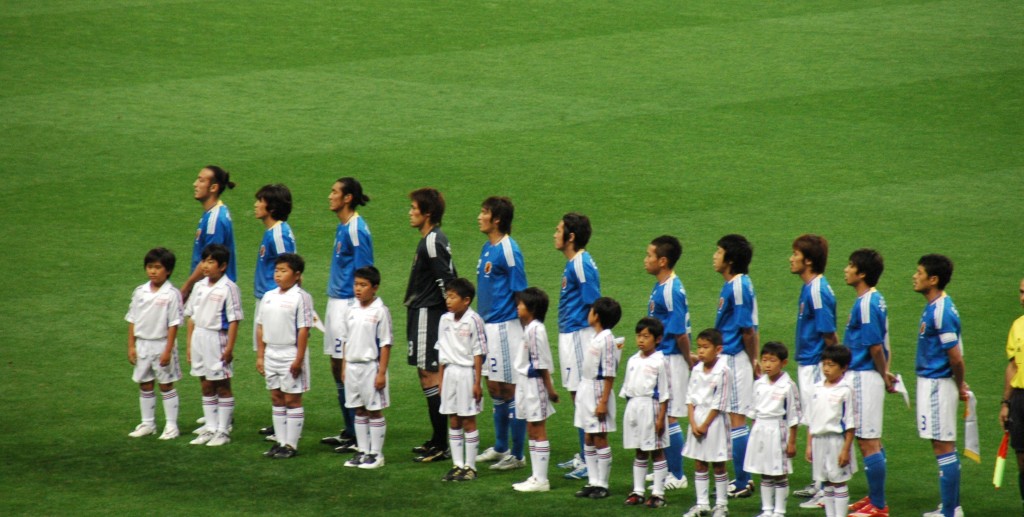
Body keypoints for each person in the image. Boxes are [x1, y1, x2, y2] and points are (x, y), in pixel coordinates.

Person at [475, 196, 529, 471]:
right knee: (494, 387)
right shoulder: (488, 247)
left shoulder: (509, 249)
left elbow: (521, 290)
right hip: (487, 327)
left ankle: (517, 456)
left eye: (484, 212)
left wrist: (526, 327)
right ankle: (500, 446)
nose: (479, 216)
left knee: (510, 389)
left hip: (506, 327)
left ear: (497, 219)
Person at [405, 187, 458, 463]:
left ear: (428, 213)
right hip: (422, 311)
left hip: (429, 313)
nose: (410, 212)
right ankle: (438, 440)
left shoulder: (432, 241)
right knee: (427, 375)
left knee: (430, 375)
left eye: (415, 208)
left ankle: (441, 444)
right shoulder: (431, 238)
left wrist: (451, 316)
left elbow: (446, 281)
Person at [321, 178, 373, 453]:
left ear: (348, 198)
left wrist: (357, 311)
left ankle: (358, 435)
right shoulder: (344, 227)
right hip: (336, 302)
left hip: (347, 305)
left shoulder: (356, 230)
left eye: (334, 192)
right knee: (336, 366)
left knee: (346, 368)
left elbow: (365, 273)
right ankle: (350, 429)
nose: (330, 196)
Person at [913, 254, 967, 517]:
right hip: (936, 382)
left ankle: (949, 512)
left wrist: (960, 385)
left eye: (919, 272)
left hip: (937, 383)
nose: (915, 276)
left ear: (933, 279)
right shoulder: (937, 306)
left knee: (942, 445)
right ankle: (951, 507)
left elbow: (955, 356)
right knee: (945, 444)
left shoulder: (941, 311)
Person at [842, 249, 894, 517]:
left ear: (861, 273)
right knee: (871, 439)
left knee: (867, 441)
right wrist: (885, 371)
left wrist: (883, 374)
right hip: (867, 375)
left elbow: (875, 347)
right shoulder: (875, 299)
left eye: (850, 266)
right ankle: (875, 498)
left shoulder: (866, 304)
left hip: (864, 376)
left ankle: (879, 505)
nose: (846, 270)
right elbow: (885, 343)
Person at [789, 234, 838, 506]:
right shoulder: (811, 287)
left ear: (808, 260)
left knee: (821, 424)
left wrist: (835, 364)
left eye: (795, 254)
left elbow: (828, 332)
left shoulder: (817, 290)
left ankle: (826, 490)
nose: (791, 258)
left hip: (817, 363)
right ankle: (820, 482)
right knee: (815, 422)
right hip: (810, 362)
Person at [554, 213, 601, 481]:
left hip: (579, 336)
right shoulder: (575, 262)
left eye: (559, 229)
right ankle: (585, 454)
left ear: (571, 237)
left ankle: (590, 458)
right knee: (577, 397)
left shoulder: (581, 264)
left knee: (583, 397)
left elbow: (595, 302)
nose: (554, 233)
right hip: (570, 334)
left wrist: (595, 340)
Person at [712, 234, 760, 498]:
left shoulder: (739, 286)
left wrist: (754, 361)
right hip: (730, 357)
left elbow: (747, 330)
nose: (714, 256)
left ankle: (743, 481)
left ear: (730, 260)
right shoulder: (735, 284)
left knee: (737, 419)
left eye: (718, 252)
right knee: (734, 418)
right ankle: (743, 477)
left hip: (734, 358)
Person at [643, 235, 692, 491]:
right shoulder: (661, 286)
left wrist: (689, 360)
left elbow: (680, 332)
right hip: (663, 357)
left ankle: (677, 475)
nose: (645, 259)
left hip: (673, 358)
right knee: (660, 414)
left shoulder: (672, 290)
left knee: (670, 416)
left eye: (649, 255)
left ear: (663, 261)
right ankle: (665, 468)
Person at [256, 253, 314, 459]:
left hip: (290, 353)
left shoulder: (301, 297)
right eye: (276, 270)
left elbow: (304, 330)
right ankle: (280, 443)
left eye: (283, 271)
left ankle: (291, 444)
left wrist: (298, 359)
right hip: (272, 352)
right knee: (276, 397)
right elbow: (260, 327)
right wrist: (261, 356)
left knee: (292, 399)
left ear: (297, 275)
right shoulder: (268, 296)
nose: (278, 275)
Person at [185, 244, 243, 447]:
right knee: (205, 383)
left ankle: (223, 431)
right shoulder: (199, 286)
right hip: (199, 338)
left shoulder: (229, 288)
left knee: (222, 385)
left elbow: (235, 320)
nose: (205, 266)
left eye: (211, 262)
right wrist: (189, 344)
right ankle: (210, 428)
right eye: (204, 261)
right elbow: (191, 316)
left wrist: (229, 348)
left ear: (223, 266)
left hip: (217, 339)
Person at [252, 184, 297, 441]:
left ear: (271, 206)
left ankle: (286, 422)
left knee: (275, 359)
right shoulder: (272, 232)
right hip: (268, 301)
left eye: (260, 201)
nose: (256, 205)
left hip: (275, 305)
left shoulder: (279, 233)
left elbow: (291, 267)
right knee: (270, 361)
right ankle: (279, 419)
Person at [125, 247, 184, 440]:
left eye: (157, 267)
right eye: (149, 267)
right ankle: (148, 423)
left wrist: (168, 350)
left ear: (167, 270)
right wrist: (131, 346)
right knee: (145, 384)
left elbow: (174, 324)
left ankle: (171, 426)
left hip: (162, 344)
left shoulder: (172, 294)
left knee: (166, 385)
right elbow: (132, 319)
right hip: (143, 344)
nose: (152, 271)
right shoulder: (140, 292)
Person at [341, 266, 392, 470]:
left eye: (363, 285)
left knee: (374, 411)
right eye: (356, 284)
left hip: (371, 367)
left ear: (375, 288)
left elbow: (386, 344)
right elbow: (346, 340)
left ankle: (376, 454)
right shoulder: (350, 309)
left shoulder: (380, 311)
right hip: (352, 367)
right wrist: (344, 366)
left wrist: (381, 373)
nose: (358, 289)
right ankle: (362, 451)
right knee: (359, 410)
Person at [437, 278, 488, 482]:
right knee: (454, 419)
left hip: (467, 374)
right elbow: (440, 350)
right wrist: (440, 380)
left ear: (466, 300)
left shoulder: (474, 320)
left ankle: (471, 467)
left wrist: (477, 382)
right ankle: (457, 465)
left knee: (468, 419)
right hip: (450, 373)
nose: (448, 301)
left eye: (452, 297)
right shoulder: (444, 320)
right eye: (447, 296)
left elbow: (479, 352)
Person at [511, 287, 560, 492]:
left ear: (531, 308)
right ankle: (535, 476)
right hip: (525, 383)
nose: (517, 306)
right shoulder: (530, 328)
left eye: (521, 304)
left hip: (535, 384)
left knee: (538, 429)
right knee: (532, 428)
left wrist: (550, 390)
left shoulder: (536, 330)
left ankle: (541, 480)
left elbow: (541, 364)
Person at [574, 297, 622, 500]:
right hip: (586, 388)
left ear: (597, 316)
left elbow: (610, 373)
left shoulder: (608, 340)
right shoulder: (596, 336)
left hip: (598, 390)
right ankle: (592, 481)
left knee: (600, 437)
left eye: (591, 310)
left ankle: (603, 484)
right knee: (588, 435)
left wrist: (603, 401)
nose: (589, 312)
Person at [746, 341, 801, 517]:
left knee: (779, 473)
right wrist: (754, 436)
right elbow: (754, 412)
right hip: (760, 430)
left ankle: (779, 511)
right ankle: (767, 510)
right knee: (765, 471)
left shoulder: (788, 385)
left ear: (783, 363)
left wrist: (791, 442)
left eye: (772, 360)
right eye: (764, 360)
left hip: (778, 430)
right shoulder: (759, 384)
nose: (767, 365)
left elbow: (794, 416)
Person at [621, 317, 671, 509]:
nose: (641, 340)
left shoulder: (660, 361)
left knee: (656, 451)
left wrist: (660, 418)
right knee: (639, 450)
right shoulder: (633, 360)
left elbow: (665, 394)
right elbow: (627, 388)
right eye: (639, 336)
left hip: (652, 407)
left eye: (646, 336)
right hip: (634, 407)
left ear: (657, 339)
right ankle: (638, 491)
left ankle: (658, 493)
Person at [682, 329, 732, 517]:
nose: (701, 351)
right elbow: (689, 398)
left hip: (715, 421)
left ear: (718, 349)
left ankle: (721, 505)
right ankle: (701, 504)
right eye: (699, 347)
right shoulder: (696, 369)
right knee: (699, 463)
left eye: (705, 347)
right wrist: (693, 423)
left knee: (718, 464)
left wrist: (704, 425)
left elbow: (720, 402)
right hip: (697, 418)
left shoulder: (724, 371)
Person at [805, 344, 857, 517]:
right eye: (824, 364)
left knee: (839, 482)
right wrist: (809, 445)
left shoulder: (846, 390)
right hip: (819, 440)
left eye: (831, 365)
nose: (826, 369)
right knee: (826, 482)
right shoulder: (816, 388)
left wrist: (846, 450)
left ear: (843, 368)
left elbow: (850, 424)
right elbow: (811, 420)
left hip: (837, 441)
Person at [182, 166, 236, 302]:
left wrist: (186, 287)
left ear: (213, 188)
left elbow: (210, 260)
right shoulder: (214, 212)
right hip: (209, 287)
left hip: (213, 292)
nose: (195, 184)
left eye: (201, 181)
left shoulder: (214, 219)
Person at [999, 277, 1024, 516]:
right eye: (1021, 292)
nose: (1022, 297)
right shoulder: (1017, 326)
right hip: (1020, 399)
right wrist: (1006, 403)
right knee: (1021, 458)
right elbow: (1012, 367)